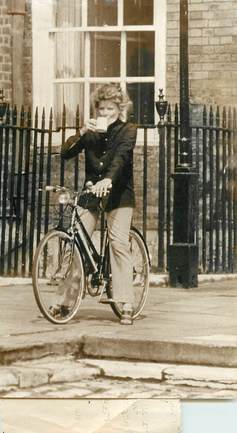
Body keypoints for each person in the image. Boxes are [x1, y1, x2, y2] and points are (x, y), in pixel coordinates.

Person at [61, 83, 137, 325]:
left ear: (120, 109)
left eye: (110, 109)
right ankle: (65, 300)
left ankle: (126, 302)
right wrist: (82, 132)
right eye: (101, 109)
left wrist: (108, 180)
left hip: (119, 194)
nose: (105, 113)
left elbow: (121, 159)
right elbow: (65, 153)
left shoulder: (128, 130)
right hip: (92, 192)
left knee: (118, 243)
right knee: (77, 240)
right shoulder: (91, 132)